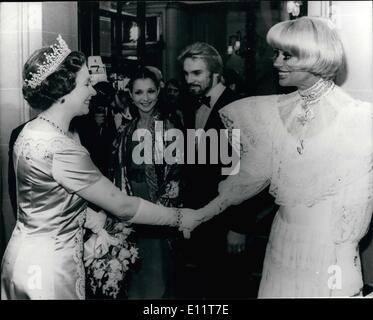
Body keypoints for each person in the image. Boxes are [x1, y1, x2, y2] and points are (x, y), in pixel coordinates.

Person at [184, 17, 373, 298]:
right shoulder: (275, 113)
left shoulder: (355, 118)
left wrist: (344, 269)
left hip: (327, 248)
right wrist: (201, 214)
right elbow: (245, 180)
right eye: (276, 54)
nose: (276, 63)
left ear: (313, 57)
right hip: (283, 239)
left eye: (286, 55)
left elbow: (356, 202)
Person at [0, 35, 196, 300]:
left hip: (19, 259)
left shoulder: (30, 132)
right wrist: (181, 217)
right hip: (50, 271)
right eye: (86, 84)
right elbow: (124, 206)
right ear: (64, 92)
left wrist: (98, 223)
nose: (93, 91)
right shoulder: (63, 147)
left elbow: (47, 204)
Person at [177, 42, 274, 298]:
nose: (189, 80)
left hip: (229, 221)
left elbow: (252, 173)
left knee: (230, 289)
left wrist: (239, 227)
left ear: (216, 73)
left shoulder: (240, 108)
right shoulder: (191, 104)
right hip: (201, 218)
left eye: (196, 73)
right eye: (186, 74)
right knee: (206, 287)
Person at [108, 67, 183, 299]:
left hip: (157, 207)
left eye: (150, 91)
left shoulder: (167, 126)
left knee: (158, 274)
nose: (145, 98)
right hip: (129, 204)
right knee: (132, 272)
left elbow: (175, 174)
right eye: (139, 92)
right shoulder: (125, 129)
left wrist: (159, 212)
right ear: (130, 94)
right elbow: (117, 170)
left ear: (159, 92)